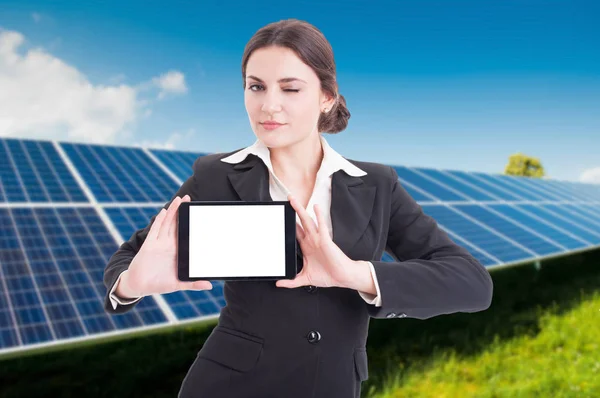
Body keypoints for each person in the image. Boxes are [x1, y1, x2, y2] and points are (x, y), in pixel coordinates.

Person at [103, 18, 494, 398]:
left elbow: (471, 283)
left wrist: (355, 275)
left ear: (327, 97)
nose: (268, 105)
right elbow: (128, 259)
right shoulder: (216, 176)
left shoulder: (376, 185)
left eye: (290, 89)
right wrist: (130, 286)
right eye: (256, 87)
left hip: (334, 386)